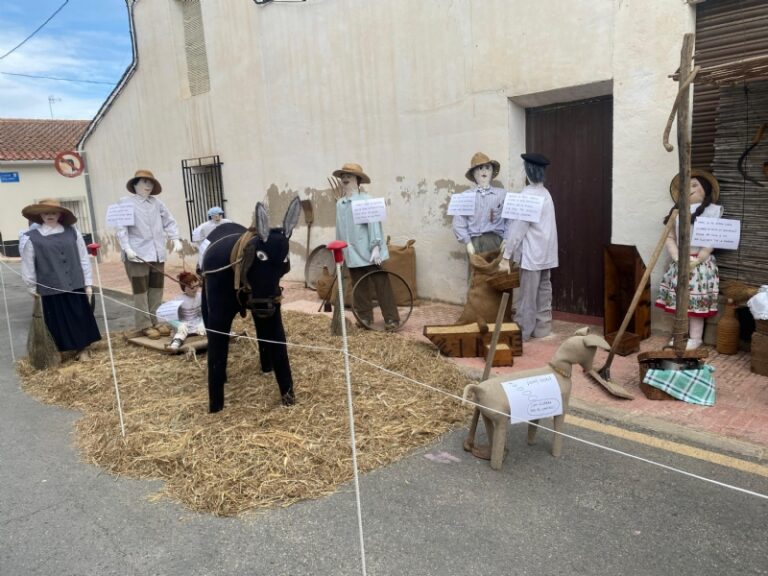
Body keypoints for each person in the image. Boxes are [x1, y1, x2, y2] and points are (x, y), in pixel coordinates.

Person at [20, 199, 101, 360]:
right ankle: (59, 350)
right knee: (57, 320)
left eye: (54, 212)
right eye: (46, 212)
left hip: (75, 283)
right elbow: (28, 263)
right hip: (51, 286)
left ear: (60, 215)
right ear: (40, 215)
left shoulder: (73, 232)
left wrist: (88, 282)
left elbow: (83, 258)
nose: (50, 215)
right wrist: (31, 286)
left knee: (78, 316)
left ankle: (82, 349)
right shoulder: (31, 238)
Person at [655, 170, 722, 350]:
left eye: (695, 185)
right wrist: (676, 257)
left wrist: (700, 258)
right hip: (679, 262)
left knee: (694, 301)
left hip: (699, 265)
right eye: (687, 186)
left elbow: (712, 237)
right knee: (679, 301)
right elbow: (669, 237)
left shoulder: (712, 212)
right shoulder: (677, 211)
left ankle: (696, 338)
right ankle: (679, 335)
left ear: (705, 190)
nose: (690, 189)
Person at [115, 169, 184, 339]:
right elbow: (120, 227)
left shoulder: (157, 203)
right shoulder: (125, 203)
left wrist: (175, 238)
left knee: (156, 289)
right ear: (135, 184)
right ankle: (144, 324)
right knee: (140, 291)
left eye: (150, 183)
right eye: (144, 182)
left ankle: (156, 320)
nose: (148, 186)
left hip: (157, 252)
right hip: (137, 254)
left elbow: (169, 221)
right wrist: (127, 248)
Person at [334, 162, 400, 330]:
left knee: (381, 283)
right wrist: (340, 250)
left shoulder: (366, 200)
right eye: (343, 176)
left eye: (349, 175)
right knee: (359, 286)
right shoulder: (340, 204)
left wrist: (376, 246)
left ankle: (392, 319)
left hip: (369, 251)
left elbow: (374, 224)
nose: (345, 178)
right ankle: (365, 317)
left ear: (358, 179)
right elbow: (340, 229)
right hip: (351, 252)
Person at [501, 153, 558, 342]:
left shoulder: (528, 196)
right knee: (544, 291)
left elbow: (518, 229)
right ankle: (542, 328)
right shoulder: (546, 193)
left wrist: (506, 255)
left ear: (528, 171)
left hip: (532, 255)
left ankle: (522, 333)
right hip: (546, 254)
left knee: (527, 296)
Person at [452, 152, 507, 255]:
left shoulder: (502, 194)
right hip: (474, 242)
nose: (484, 171)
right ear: (473, 173)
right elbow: (459, 221)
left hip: (495, 241)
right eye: (480, 168)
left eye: (487, 168)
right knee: (476, 270)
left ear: (492, 172)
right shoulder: (465, 196)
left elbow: (510, 219)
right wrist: (467, 242)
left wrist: (507, 238)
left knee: (495, 270)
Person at [165, 271, 206, 351]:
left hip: (197, 323)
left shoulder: (200, 297)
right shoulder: (178, 300)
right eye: (192, 287)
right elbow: (169, 316)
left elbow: (205, 312)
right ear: (184, 287)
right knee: (182, 333)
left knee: (206, 329)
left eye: (197, 286)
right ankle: (175, 345)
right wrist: (178, 324)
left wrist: (202, 322)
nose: (195, 289)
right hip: (185, 324)